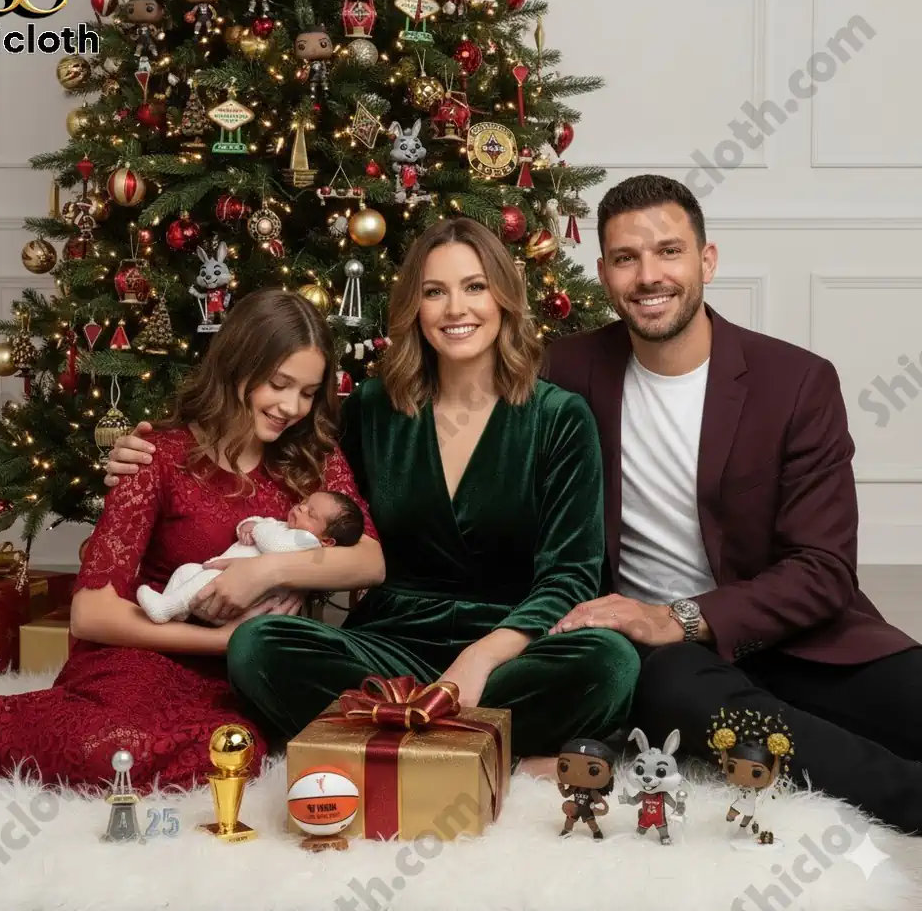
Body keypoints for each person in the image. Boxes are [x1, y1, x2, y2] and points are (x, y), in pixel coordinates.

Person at [105, 218, 641, 763]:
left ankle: (389, 744)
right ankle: (481, 746)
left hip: (509, 649)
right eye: (435, 292)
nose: (456, 309)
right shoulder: (373, 408)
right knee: (257, 647)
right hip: (388, 647)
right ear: (415, 306)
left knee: (610, 661)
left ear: (504, 296)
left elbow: (572, 573)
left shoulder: (559, 417)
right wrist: (153, 452)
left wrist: (479, 660)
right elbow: (278, 462)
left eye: (475, 286)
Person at [542, 173, 922, 831]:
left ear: (706, 261)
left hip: (796, 636)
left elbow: (823, 568)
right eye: (626, 258)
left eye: (669, 251)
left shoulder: (796, 382)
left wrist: (683, 616)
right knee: (676, 694)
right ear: (603, 273)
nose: (648, 275)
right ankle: (906, 796)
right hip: (669, 666)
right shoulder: (566, 372)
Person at [0, 290, 381, 800]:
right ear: (236, 366)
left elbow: (370, 560)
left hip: (250, 673)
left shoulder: (314, 459)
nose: (291, 407)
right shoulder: (157, 456)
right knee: (113, 747)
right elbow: (91, 615)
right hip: (148, 651)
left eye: (308, 393)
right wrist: (228, 640)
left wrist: (266, 574)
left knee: (234, 750)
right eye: (279, 385)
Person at [137, 491, 364, 624]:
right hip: (219, 579)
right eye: (304, 503)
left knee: (208, 579)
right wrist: (245, 526)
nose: (301, 508)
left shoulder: (307, 542)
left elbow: (274, 545)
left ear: (327, 541)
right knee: (186, 571)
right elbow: (260, 525)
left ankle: (165, 609)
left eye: (311, 513)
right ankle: (174, 609)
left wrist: (255, 528)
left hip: (238, 600)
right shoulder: (283, 525)